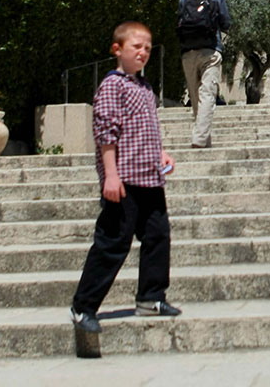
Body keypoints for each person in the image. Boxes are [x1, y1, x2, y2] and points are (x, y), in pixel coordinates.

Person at [71, 21, 180, 357]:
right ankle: (83, 306)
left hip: (150, 177)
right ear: (117, 49)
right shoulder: (111, 86)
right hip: (124, 180)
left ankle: (151, 297)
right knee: (112, 244)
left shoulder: (145, 87)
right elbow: (106, 134)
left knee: (158, 236)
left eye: (147, 47)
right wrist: (111, 176)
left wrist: (161, 153)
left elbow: (145, 129)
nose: (143, 52)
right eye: (136, 46)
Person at [177, 0, 231, 148]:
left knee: (195, 98)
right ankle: (200, 139)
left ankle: (203, 139)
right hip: (210, 51)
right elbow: (226, 23)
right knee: (207, 95)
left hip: (187, 53)